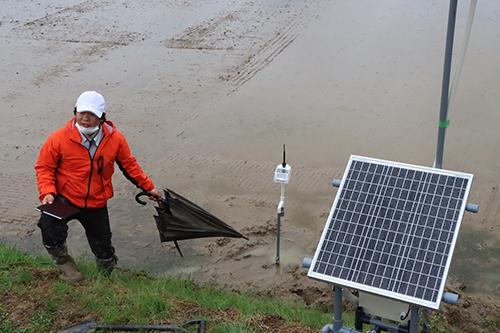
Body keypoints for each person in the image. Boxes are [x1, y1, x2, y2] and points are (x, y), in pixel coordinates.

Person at [35, 91, 162, 282]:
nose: (85, 118)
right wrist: (47, 192)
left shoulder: (116, 139)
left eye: (92, 114)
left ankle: (108, 277)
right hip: (65, 197)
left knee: (103, 245)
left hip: (96, 201)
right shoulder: (58, 138)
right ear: (75, 111)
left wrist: (148, 186)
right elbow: (44, 168)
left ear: (102, 116)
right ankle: (66, 267)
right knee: (48, 226)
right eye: (81, 112)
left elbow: (129, 165)